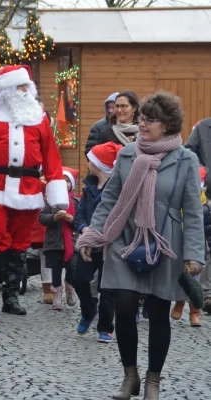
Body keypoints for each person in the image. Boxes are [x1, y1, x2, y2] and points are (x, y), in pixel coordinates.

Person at [77, 91, 205, 400]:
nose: (143, 124)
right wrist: (93, 234)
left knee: (159, 313)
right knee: (123, 305)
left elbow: (193, 209)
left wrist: (194, 253)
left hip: (165, 243)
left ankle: (152, 380)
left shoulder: (186, 159)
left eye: (151, 120)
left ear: (169, 124)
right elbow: (110, 200)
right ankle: (130, 376)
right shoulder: (127, 154)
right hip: (125, 239)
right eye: (142, 118)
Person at [0, 65, 69, 316]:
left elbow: (50, 156)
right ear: (7, 90)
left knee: (20, 243)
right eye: (20, 87)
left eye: (26, 87)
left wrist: (55, 187)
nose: (25, 91)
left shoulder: (39, 116)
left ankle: (11, 296)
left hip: (28, 188)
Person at [73, 141, 121, 341]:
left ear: (100, 164)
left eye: (91, 160)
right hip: (89, 242)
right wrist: (84, 228)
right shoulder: (89, 186)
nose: (87, 163)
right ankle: (88, 311)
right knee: (79, 280)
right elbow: (80, 212)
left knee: (107, 287)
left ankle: (105, 326)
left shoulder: (117, 188)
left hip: (110, 243)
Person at [169, 165, 208, 327]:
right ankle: (180, 302)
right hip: (179, 241)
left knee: (195, 278)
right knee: (181, 275)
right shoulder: (177, 198)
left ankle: (195, 312)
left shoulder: (204, 205)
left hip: (198, 243)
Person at [39, 167, 80, 310]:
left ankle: (70, 287)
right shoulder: (50, 200)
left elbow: (80, 222)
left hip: (72, 242)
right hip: (54, 242)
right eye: (62, 180)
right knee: (56, 269)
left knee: (72, 268)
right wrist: (53, 217)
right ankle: (57, 293)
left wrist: (71, 219)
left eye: (68, 181)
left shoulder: (76, 201)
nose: (65, 183)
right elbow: (42, 218)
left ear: (72, 184)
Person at [185, 118, 211, 313]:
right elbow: (189, 151)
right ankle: (207, 293)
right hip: (208, 195)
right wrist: (203, 170)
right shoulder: (203, 127)